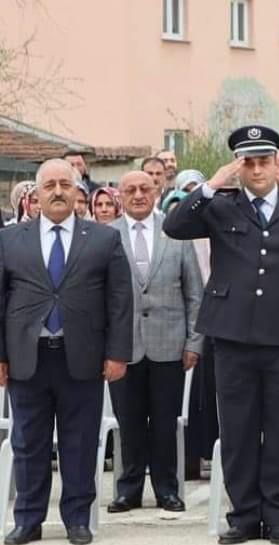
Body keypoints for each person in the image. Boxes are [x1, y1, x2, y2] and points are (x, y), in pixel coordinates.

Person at [163, 125, 279, 545]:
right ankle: (243, 515)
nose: (257, 170)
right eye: (248, 162)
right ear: (239, 166)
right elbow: (174, 225)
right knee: (237, 430)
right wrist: (212, 183)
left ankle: (277, 515)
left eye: (264, 161)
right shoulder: (220, 206)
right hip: (233, 335)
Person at [0, 159, 133, 545]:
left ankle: (78, 520)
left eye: (65, 184)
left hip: (83, 358)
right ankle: (28, 520)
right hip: (29, 357)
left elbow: (119, 301)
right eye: (49, 185)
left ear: (78, 192)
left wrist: (117, 353)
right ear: (35, 194)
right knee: (28, 444)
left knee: (78, 442)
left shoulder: (104, 239)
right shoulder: (9, 240)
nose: (57, 191)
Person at [106, 171, 203, 515]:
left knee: (165, 422)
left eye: (144, 188)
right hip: (123, 347)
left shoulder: (176, 234)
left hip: (170, 345)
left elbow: (195, 294)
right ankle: (128, 490)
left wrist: (194, 342)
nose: (137, 195)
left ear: (157, 191)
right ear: (120, 195)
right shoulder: (106, 236)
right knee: (128, 422)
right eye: (129, 189)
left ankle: (167, 489)